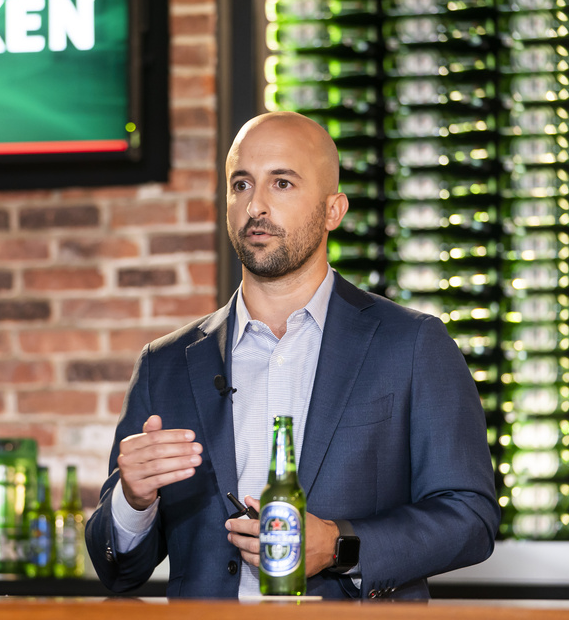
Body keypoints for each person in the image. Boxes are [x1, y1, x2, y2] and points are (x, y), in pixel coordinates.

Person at [84, 111, 499, 599]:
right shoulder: (165, 364)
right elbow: (118, 572)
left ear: (332, 210)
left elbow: (470, 518)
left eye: (281, 183)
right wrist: (133, 500)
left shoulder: (412, 344)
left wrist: (340, 545)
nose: (255, 205)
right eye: (241, 184)